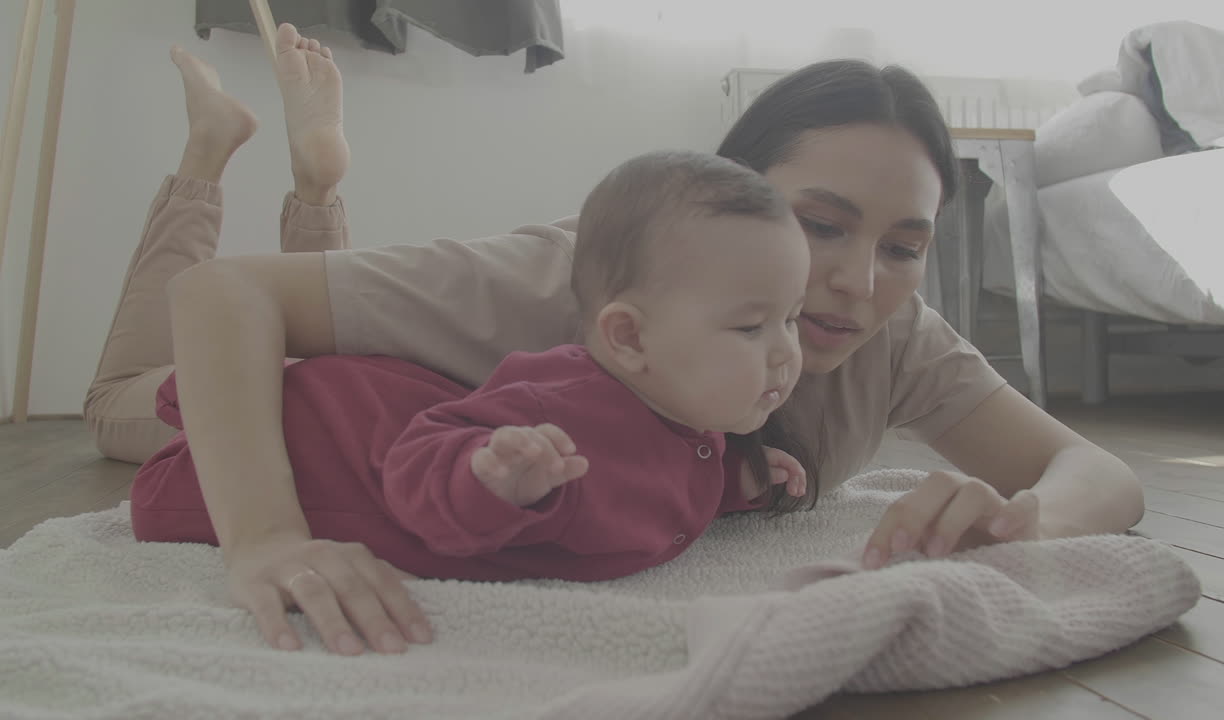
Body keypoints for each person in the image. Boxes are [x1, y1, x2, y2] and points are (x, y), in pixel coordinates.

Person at [86, 23, 1144, 657]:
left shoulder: (890, 332)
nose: (856, 282)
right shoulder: (561, 279)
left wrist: (1018, 522)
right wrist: (266, 537)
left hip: (397, 408)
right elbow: (224, 299)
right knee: (125, 398)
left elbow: (1093, 471)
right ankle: (209, 155)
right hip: (305, 415)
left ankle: (318, 187)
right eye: (817, 225)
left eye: (904, 245)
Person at [131, 149, 811, 591]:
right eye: (752, 327)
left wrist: (733, 484)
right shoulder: (558, 404)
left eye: (791, 317)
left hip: (357, 402)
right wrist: (490, 480)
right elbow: (421, 477)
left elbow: (647, 485)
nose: (785, 350)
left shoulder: (684, 407)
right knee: (127, 422)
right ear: (629, 337)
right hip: (304, 445)